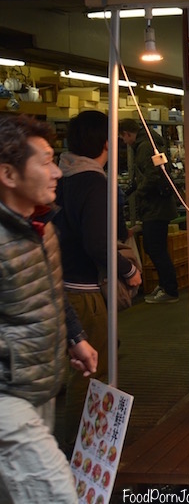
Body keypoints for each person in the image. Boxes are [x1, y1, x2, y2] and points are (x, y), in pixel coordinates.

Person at [0, 114, 98, 503]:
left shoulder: (42, 226)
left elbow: (52, 293)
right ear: (8, 174)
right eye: (44, 162)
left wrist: (75, 336)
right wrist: (16, 357)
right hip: (9, 394)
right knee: (56, 491)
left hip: (41, 386)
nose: (57, 171)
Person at [55, 110, 142, 454]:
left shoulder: (64, 177)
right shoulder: (93, 182)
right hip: (83, 292)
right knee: (92, 371)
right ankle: (82, 448)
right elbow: (97, 243)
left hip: (63, 286)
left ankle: (81, 442)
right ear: (107, 143)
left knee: (84, 366)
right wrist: (126, 269)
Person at [118, 118, 179, 304]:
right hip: (158, 205)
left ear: (127, 134)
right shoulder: (150, 142)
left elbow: (152, 175)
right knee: (155, 247)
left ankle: (169, 289)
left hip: (156, 206)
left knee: (155, 248)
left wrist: (138, 194)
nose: (124, 142)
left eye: (123, 138)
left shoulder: (144, 146)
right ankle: (166, 285)